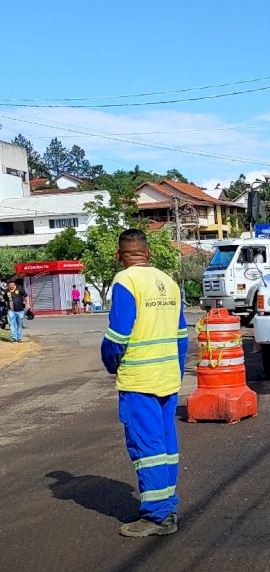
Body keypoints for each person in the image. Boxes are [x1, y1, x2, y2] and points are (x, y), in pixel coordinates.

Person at [101, 229, 188, 537]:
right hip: (167, 377)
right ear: (148, 253)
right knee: (166, 446)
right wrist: (175, 372)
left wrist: (110, 361)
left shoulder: (126, 281)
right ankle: (168, 505)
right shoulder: (169, 282)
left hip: (140, 380)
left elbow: (119, 334)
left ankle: (157, 516)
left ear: (119, 256)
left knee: (147, 447)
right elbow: (181, 336)